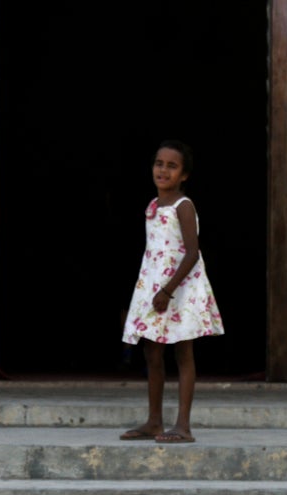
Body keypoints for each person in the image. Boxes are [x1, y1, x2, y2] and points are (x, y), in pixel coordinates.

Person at [119, 139, 224, 444]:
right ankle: (154, 421)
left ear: (184, 175)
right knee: (152, 351)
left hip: (181, 288)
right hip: (154, 286)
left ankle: (183, 426)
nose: (163, 170)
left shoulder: (184, 206)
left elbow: (191, 253)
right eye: (159, 163)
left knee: (183, 352)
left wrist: (168, 289)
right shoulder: (153, 206)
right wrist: (154, 289)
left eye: (172, 165)